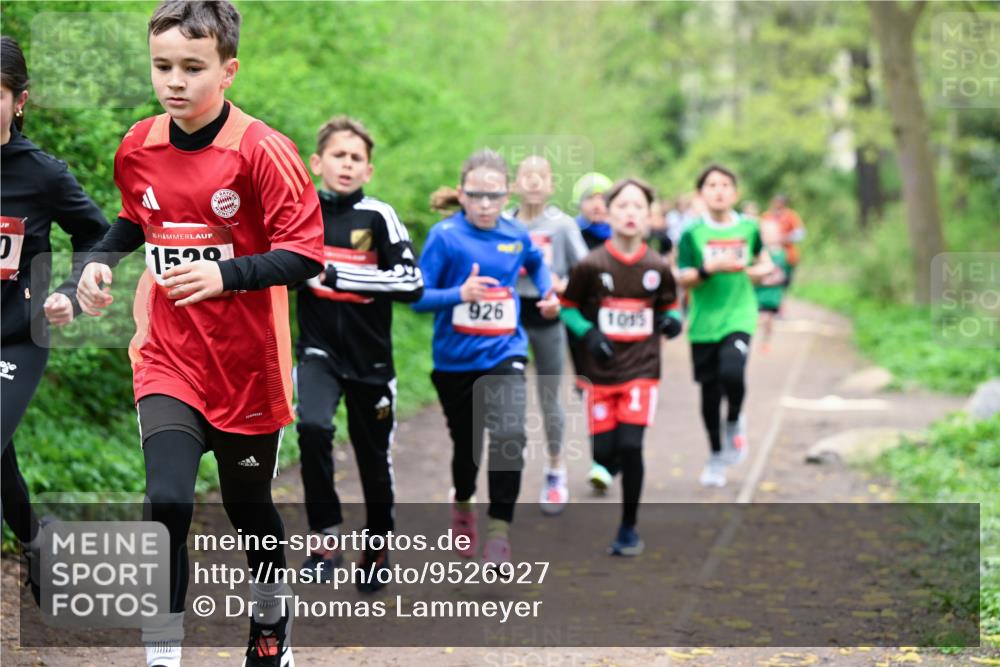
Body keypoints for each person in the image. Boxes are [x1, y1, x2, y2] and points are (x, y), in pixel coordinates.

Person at [76, 3, 324, 665]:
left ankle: (271, 626)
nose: (174, 81)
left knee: (250, 509)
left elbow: (305, 255)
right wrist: (99, 260)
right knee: (167, 499)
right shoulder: (139, 144)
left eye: (192, 67)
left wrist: (224, 275)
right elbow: (135, 218)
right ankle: (163, 653)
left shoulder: (262, 151)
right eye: (162, 66)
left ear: (228, 70)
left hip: (247, 367)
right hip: (168, 357)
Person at [0, 35, 110, 602]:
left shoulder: (41, 174)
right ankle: (36, 539)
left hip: (17, 337)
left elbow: (98, 233)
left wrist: (70, 288)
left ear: (19, 100)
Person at [414, 150, 560, 565]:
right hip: (455, 362)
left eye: (493, 196)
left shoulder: (515, 234)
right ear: (461, 195)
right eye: (475, 196)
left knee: (511, 435)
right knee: (468, 447)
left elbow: (536, 263)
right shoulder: (445, 237)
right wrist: (459, 294)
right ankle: (462, 503)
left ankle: (499, 529)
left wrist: (548, 294)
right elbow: (418, 297)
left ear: (507, 194)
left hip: (505, 352)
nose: (484, 205)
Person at [295, 115, 423, 587]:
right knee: (312, 428)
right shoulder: (301, 214)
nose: (346, 165)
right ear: (317, 162)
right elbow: (281, 267)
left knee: (373, 459)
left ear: (368, 170)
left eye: (356, 158)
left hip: (372, 362)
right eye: (338, 156)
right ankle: (325, 544)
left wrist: (339, 276)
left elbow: (411, 282)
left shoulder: (380, 216)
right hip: (318, 351)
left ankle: (377, 548)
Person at [560, 177, 680, 555]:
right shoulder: (590, 264)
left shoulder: (656, 265)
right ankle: (607, 467)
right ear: (608, 213)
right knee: (605, 451)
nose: (630, 213)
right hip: (600, 372)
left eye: (638, 207)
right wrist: (589, 333)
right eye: (623, 206)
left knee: (631, 446)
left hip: (642, 369)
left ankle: (628, 527)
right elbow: (568, 308)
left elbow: (669, 307)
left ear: (649, 216)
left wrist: (672, 323)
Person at [676, 165, 774, 489]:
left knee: (732, 372)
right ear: (701, 193)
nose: (718, 190)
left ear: (735, 192)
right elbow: (682, 275)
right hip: (703, 321)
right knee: (708, 392)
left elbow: (765, 262)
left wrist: (759, 271)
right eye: (711, 185)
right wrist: (708, 269)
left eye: (725, 184)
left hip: (740, 314)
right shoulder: (692, 233)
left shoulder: (749, 228)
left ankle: (733, 420)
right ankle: (715, 455)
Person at [508, 155, 587, 515]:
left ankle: (556, 468)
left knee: (549, 397)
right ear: (514, 184)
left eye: (542, 176)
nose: (534, 182)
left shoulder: (562, 225)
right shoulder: (502, 223)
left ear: (552, 185)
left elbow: (585, 276)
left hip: (547, 317)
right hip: (507, 319)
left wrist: (562, 286)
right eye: (527, 176)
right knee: (508, 395)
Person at [754, 219, 790, 353]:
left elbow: (784, 273)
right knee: (761, 318)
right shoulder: (759, 253)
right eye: (767, 233)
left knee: (769, 320)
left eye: (773, 233)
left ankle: (766, 341)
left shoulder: (782, 254)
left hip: (773, 294)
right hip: (759, 293)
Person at [761, 194, 805, 286]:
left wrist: (785, 238)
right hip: (770, 255)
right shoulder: (767, 216)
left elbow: (800, 233)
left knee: (785, 282)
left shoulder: (791, 216)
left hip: (788, 255)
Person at [571, 172, 613, 250]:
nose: (596, 205)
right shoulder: (570, 233)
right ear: (579, 204)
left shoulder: (621, 234)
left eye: (602, 198)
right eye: (590, 198)